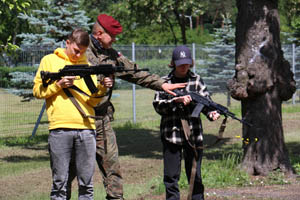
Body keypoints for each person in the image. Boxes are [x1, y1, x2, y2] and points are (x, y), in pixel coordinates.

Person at [67, 14, 187, 200]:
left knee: (112, 167)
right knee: (70, 170)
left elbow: (135, 73)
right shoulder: (80, 49)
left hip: (101, 120)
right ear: (99, 33)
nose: (115, 40)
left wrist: (162, 84)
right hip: (78, 120)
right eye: (112, 36)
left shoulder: (112, 55)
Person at [33, 28, 107, 200]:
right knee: (59, 183)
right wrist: (58, 85)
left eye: (82, 51)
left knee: (86, 185)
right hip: (60, 129)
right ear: (67, 42)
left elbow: (93, 101)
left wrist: (103, 88)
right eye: (75, 50)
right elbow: (37, 91)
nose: (78, 54)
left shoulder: (87, 67)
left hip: (86, 129)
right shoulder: (49, 61)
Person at [152, 45, 220, 200]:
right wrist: (176, 101)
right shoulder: (165, 82)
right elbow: (158, 105)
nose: (184, 66)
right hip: (171, 135)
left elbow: (206, 103)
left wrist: (211, 113)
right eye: (180, 63)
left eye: (187, 63)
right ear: (173, 63)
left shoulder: (196, 81)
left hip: (194, 136)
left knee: (195, 176)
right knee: (171, 178)